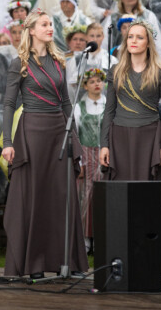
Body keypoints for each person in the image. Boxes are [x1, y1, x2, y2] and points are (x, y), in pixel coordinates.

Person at [1, 8, 89, 278]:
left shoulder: (59, 60)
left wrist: (73, 138)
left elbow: (66, 103)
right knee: (37, 197)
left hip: (58, 132)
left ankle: (68, 261)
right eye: (44, 24)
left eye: (51, 24)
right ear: (31, 30)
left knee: (62, 196)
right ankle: (34, 264)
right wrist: (7, 141)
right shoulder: (20, 62)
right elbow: (8, 103)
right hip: (33, 133)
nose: (50, 28)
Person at [99, 20, 161, 274]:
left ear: (148, 42)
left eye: (139, 37)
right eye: (130, 37)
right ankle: (121, 259)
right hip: (120, 139)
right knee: (121, 197)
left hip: (149, 140)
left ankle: (149, 259)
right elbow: (108, 111)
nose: (133, 41)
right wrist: (104, 144)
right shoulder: (116, 71)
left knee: (148, 198)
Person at [74, 68, 106, 251]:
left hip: (103, 154)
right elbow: (76, 134)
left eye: (99, 81)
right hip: (86, 154)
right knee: (85, 196)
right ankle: (86, 240)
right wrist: (80, 162)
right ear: (85, 86)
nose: (97, 84)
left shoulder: (107, 104)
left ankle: (101, 236)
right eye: (92, 81)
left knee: (103, 194)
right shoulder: (79, 107)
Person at [103, 0, 161, 64]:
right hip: (119, 61)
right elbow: (105, 43)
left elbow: (157, 41)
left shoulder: (148, 16)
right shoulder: (113, 18)